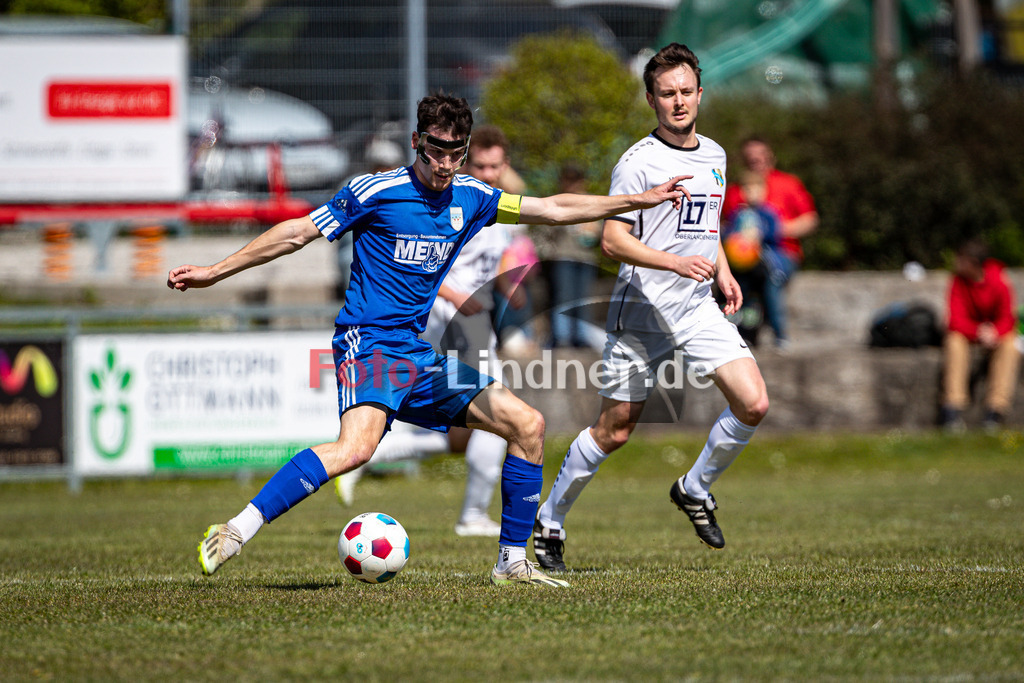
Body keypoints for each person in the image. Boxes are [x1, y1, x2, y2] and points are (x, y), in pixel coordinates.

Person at [169, 92, 691, 587]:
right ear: (418, 142)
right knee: (356, 448)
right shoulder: (374, 190)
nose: (445, 164)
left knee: (527, 424)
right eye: (437, 151)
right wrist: (217, 271)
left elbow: (553, 209)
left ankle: (511, 562)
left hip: (417, 353)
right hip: (369, 342)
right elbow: (295, 233)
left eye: (455, 154)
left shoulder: (473, 195)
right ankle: (237, 529)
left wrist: (636, 200)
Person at [533, 43, 770, 572]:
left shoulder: (715, 155)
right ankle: (550, 521)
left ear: (700, 95)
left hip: (695, 309)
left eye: (686, 92)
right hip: (642, 313)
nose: (678, 102)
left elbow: (708, 232)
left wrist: (724, 274)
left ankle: (693, 488)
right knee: (615, 430)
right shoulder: (638, 163)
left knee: (753, 404)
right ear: (651, 100)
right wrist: (672, 262)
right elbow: (613, 242)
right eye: (667, 94)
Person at [333, 125, 524, 538]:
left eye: (495, 166)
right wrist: (456, 296)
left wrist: (509, 287)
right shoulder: (461, 201)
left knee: (453, 427)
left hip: (467, 315)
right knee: (500, 409)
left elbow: (495, 263)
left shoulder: (498, 211)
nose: (488, 174)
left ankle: (356, 462)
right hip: (447, 315)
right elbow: (429, 261)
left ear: (504, 166)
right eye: (481, 166)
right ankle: (473, 513)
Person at [721, 135, 818, 349]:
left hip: (781, 255)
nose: (756, 161)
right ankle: (742, 333)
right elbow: (726, 227)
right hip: (744, 259)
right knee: (738, 284)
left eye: (760, 156)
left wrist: (769, 231)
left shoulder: (788, 184)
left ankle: (779, 334)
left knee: (769, 279)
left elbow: (810, 219)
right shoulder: (736, 190)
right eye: (750, 158)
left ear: (770, 157)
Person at [941, 238, 1020, 431]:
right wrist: (977, 331)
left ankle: (995, 410)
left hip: (994, 335)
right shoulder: (958, 281)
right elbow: (954, 320)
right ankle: (953, 409)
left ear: (973, 263)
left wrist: (994, 333)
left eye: (960, 259)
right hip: (969, 334)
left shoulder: (999, 279)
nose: (956, 263)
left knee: (1011, 346)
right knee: (953, 341)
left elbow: (1008, 318)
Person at [533, 163, 603, 349]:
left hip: (585, 258)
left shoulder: (591, 202)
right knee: (562, 297)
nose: (573, 185)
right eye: (569, 180)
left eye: (576, 180)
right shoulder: (556, 200)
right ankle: (561, 336)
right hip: (562, 257)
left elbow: (600, 231)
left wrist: (594, 231)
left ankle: (580, 337)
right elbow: (543, 231)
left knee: (583, 299)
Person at [721, 170, 784, 346]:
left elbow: (774, 235)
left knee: (766, 296)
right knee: (743, 298)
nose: (753, 194)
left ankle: (779, 333)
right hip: (741, 266)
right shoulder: (738, 214)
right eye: (748, 189)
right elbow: (727, 235)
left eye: (757, 189)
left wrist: (758, 236)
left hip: (762, 265)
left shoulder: (769, 214)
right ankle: (743, 334)